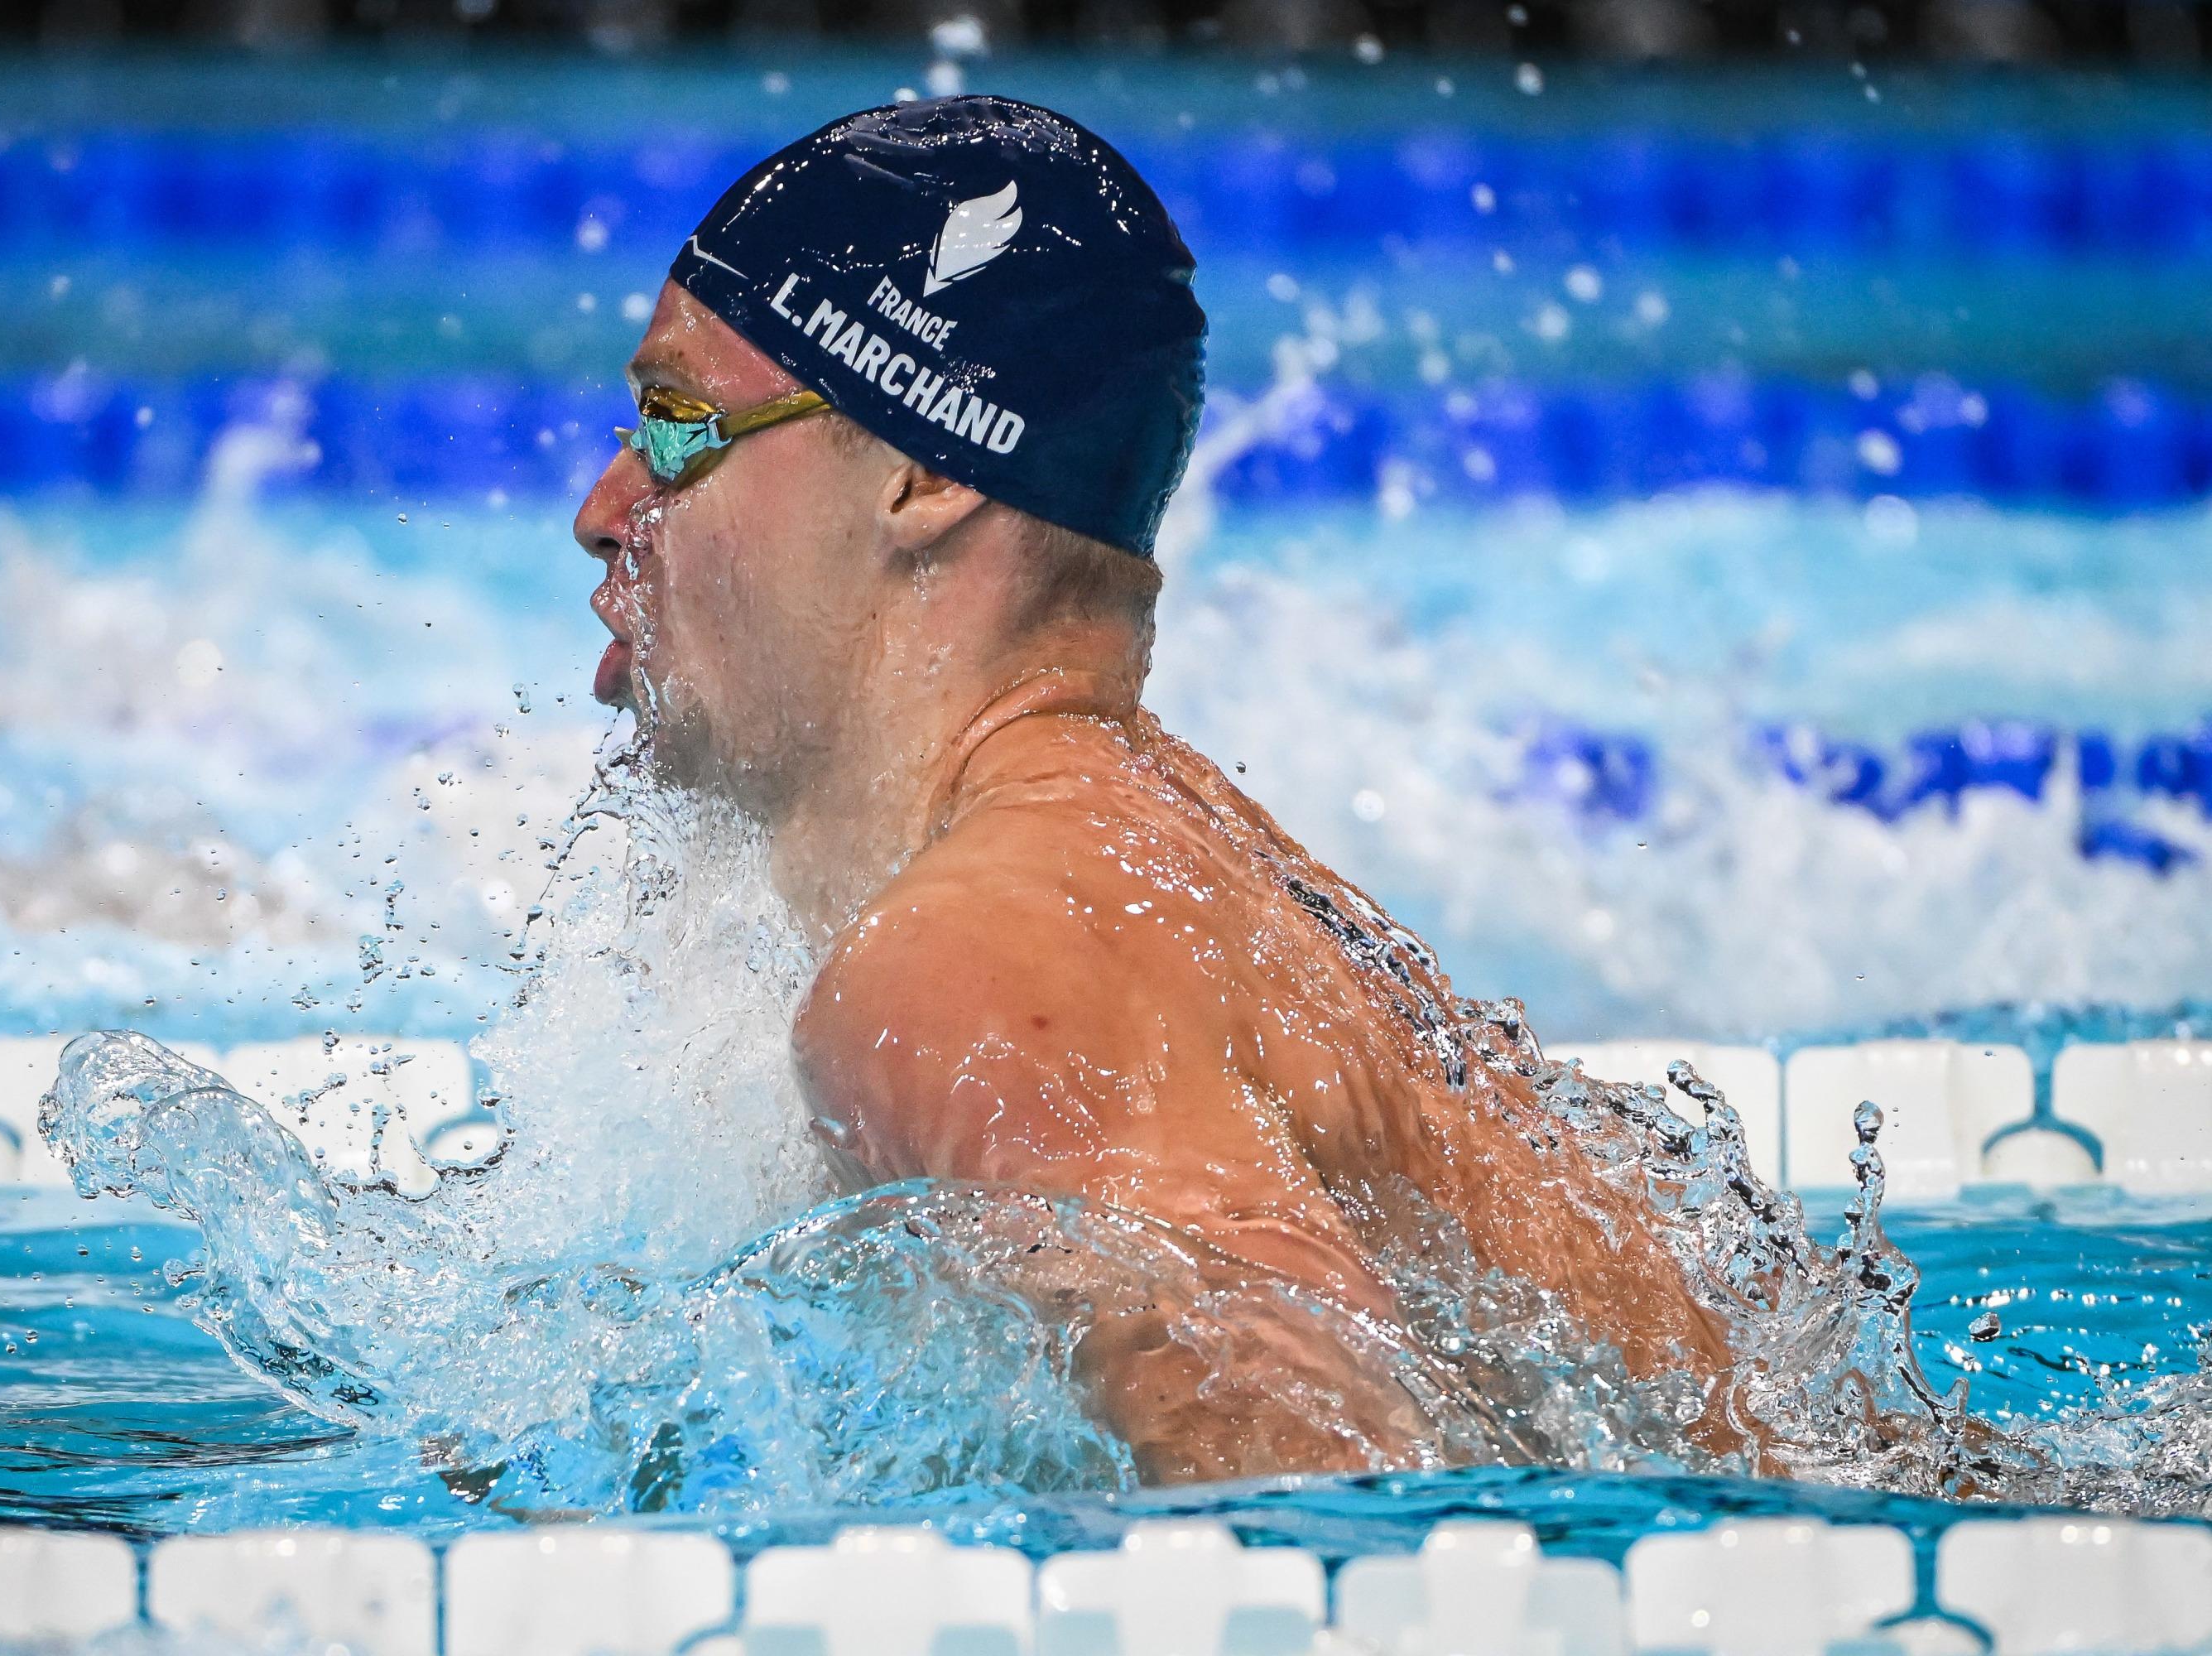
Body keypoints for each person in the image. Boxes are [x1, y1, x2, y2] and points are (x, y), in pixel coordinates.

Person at [573, 97, 1742, 1482]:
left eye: (679, 423)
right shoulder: (1159, 862)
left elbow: (1327, 1530)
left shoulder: (967, 968)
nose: (604, 504)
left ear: (925, 477)